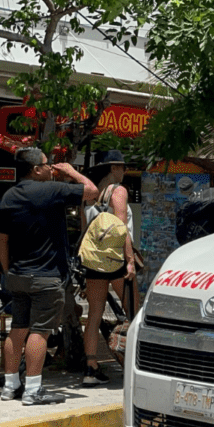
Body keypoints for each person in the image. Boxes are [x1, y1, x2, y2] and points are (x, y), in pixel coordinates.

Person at [0, 148, 98, 406]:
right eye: (48, 164)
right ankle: (32, 390)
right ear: (36, 169)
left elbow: (1, 241)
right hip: (45, 276)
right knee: (39, 332)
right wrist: (72, 172)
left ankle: (10, 386)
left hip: (17, 275)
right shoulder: (51, 190)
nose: (52, 168)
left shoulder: (8, 196)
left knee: (17, 329)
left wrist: (8, 272)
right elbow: (93, 192)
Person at [81, 150, 135, 386]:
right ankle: (136, 364)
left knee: (93, 314)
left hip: (94, 262)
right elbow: (121, 226)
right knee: (135, 311)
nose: (124, 172)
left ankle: (91, 369)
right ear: (113, 168)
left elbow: (85, 232)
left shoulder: (89, 195)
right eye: (122, 167)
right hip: (117, 261)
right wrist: (130, 259)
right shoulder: (118, 191)